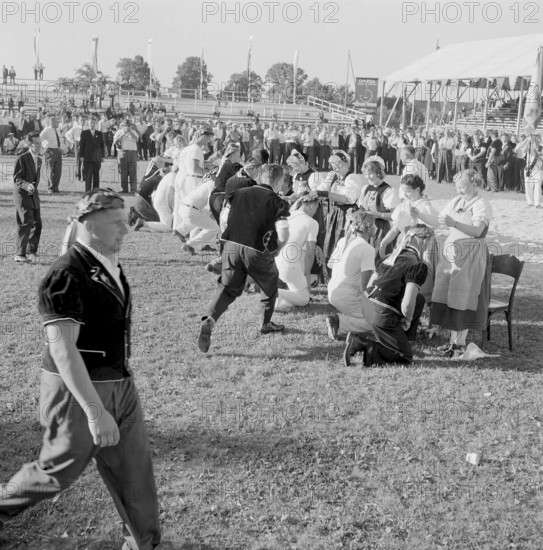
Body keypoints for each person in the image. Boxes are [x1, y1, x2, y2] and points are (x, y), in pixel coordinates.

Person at [0, 189, 161, 550]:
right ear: (88, 223)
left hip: (119, 381)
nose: (126, 229)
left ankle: (142, 543)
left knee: (136, 471)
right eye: (117, 223)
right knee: (56, 472)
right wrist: (93, 410)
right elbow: (62, 351)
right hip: (76, 389)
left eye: (125, 221)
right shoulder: (65, 275)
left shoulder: (108, 261)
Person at [198, 164, 290, 353]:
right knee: (270, 284)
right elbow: (284, 233)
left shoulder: (239, 193)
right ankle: (266, 323)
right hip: (257, 249)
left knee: (227, 288)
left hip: (231, 245)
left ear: (260, 177)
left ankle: (210, 318)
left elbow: (226, 217)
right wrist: (278, 248)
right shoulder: (277, 201)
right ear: (279, 181)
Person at [416, 170, 492, 356]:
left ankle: (460, 342)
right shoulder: (457, 201)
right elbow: (438, 221)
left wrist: (454, 223)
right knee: (448, 295)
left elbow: (478, 231)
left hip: (471, 252)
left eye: (463, 186)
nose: (459, 190)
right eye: (457, 186)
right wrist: (418, 214)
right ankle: (452, 341)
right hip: (453, 252)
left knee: (462, 297)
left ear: (475, 183)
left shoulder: (481, 203)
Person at [343, 225, 429, 367]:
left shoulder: (391, 257)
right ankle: (361, 343)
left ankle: (402, 339)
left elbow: (371, 282)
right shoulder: (418, 265)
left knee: (419, 299)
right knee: (405, 357)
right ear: (423, 242)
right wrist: (407, 319)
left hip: (367, 304)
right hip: (381, 313)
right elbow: (407, 303)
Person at [326, 210, 376, 341]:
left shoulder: (343, 240)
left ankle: (345, 318)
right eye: (374, 225)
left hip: (332, 291)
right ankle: (341, 323)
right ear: (368, 227)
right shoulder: (367, 249)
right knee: (379, 321)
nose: (376, 228)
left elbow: (330, 265)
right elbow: (365, 285)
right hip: (347, 296)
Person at [318, 150, 364, 267]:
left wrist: (327, 194)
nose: (335, 168)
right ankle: (330, 270)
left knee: (343, 240)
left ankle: (343, 268)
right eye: (333, 166)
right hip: (334, 212)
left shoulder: (352, 178)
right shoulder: (332, 176)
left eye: (338, 166)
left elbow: (349, 199)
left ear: (345, 164)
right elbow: (320, 189)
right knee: (330, 239)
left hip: (347, 214)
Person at [275, 193, 319, 309]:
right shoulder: (312, 222)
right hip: (289, 265)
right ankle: (273, 293)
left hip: (276, 261)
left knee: (296, 293)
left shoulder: (288, 215)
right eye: (316, 207)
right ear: (311, 205)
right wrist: (307, 275)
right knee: (304, 299)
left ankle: (277, 298)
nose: (316, 211)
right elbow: (310, 252)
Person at [357, 156, 399, 255]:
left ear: (379, 173)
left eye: (371, 173)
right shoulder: (366, 188)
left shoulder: (388, 191)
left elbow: (394, 216)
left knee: (378, 257)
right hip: (366, 229)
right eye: (366, 174)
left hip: (381, 229)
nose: (368, 177)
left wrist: (378, 214)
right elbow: (361, 207)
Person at [13, 131, 42, 263]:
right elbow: (17, 178)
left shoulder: (39, 160)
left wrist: (33, 188)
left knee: (37, 224)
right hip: (22, 195)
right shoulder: (22, 158)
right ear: (29, 144)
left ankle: (31, 252)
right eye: (36, 144)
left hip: (33, 195)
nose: (39, 145)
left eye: (40, 143)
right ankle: (19, 254)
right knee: (26, 222)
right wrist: (27, 185)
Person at [515, 133, 543, 208]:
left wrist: (538, 154)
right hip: (528, 168)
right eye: (535, 138)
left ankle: (537, 203)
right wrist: (528, 139)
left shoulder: (541, 148)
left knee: (537, 187)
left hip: (538, 169)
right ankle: (530, 202)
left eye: (538, 138)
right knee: (528, 186)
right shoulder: (529, 147)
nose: (537, 140)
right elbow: (521, 147)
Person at [79, 115, 106, 192]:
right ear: (88, 124)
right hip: (88, 158)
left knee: (96, 176)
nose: (92, 125)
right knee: (88, 176)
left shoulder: (99, 133)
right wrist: (81, 156)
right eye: (90, 123)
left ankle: (95, 191)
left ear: (96, 124)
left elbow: (102, 146)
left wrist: (103, 156)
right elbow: (82, 145)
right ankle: (88, 191)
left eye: (93, 123)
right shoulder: (85, 133)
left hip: (97, 158)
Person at [113, 119, 140, 193]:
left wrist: (130, 132)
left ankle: (133, 189)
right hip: (123, 152)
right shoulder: (119, 132)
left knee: (133, 171)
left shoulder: (133, 131)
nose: (128, 127)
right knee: (123, 172)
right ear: (123, 126)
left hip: (132, 152)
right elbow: (115, 141)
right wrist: (123, 134)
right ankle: (124, 188)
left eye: (129, 125)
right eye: (126, 126)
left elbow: (137, 139)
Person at [40, 115, 63, 193]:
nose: (58, 123)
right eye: (57, 122)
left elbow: (59, 140)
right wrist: (44, 148)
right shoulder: (46, 130)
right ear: (52, 122)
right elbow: (40, 139)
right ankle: (50, 188)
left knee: (58, 170)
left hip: (57, 151)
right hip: (49, 150)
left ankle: (55, 187)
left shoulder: (57, 130)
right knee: (50, 169)